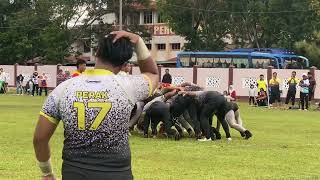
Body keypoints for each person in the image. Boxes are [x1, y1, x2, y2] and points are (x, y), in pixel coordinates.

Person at [33, 31, 158, 180]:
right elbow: (152, 73)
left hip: (75, 172)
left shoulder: (64, 88)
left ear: (97, 52)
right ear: (124, 63)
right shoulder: (129, 86)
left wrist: (47, 172)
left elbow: (40, 138)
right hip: (117, 173)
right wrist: (138, 42)